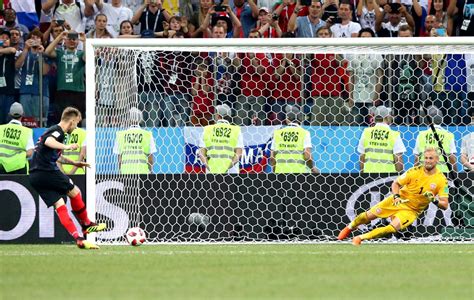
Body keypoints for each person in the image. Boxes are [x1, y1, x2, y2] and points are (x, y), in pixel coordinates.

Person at [338, 147, 449, 245]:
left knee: (391, 228)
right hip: (396, 201)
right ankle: (350, 227)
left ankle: (360, 238)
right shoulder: (414, 171)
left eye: (431, 158)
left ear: (437, 160)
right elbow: (395, 184)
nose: (428, 161)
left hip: (411, 210)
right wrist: (396, 197)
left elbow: (444, 205)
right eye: (426, 158)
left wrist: (433, 200)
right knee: (366, 216)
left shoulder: (441, 180)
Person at [29, 107, 105, 249]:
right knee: (75, 191)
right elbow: (49, 142)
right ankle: (87, 224)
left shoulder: (51, 132)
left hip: (35, 176)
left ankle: (79, 238)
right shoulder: (57, 131)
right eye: (76, 123)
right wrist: (68, 146)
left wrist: (74, 162)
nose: (76, 127)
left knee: (60, 205)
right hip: (46, 171)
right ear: (71, 121)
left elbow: (55, 154)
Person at [270, 106, 319, 173]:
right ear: (300, 120)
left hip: (280, 173)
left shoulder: (277, 133)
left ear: (287, 119)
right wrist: (312, 168)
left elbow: (272, 158)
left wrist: (274, 171)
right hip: (299, 172)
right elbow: (307, 156)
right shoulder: (304, 133)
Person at [357, 105, 406, 173]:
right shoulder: (393, 134)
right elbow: (398, 158)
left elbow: (362, 157)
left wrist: (363, 174)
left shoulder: (366, 132)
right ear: (387, 117)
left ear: (375, 117)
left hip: (369, 175)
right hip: (388, 176)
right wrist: (399, 175)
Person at [199, 104, 243, 174]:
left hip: (211, 172)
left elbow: (201, 153)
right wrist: (227, 167)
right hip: (231, 172)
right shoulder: (236, 130)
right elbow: (239, 153)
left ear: (218, 116)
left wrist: (209, 167)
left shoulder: (207, 129)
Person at [414, 106, 457, 173]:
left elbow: (417, 159)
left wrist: (415, 175)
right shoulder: (449, 135)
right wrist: (455, 174)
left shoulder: (421, 135)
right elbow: (452, 158)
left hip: (425, 173)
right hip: (443, 173)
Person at [113, 107, 156, 174]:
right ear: (140, 119)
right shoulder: (147, 134)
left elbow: (120, 160)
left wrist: (121, 172)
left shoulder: (120, 135)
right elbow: (150, 159)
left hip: (126, 173)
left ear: (128, 119)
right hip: (143, 173)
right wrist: (150, 171)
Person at [0, 103, 34, 174]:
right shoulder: (27, 131)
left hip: (1, 167)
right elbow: (30, 153)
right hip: (19, 168)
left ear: (9, 114)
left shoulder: (1, 129)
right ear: (23, 114)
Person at [460, 107, 474, 172]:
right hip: (470, 170)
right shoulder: (466, 137)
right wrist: (471, 167)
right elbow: (463, 157)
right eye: (472, 118)